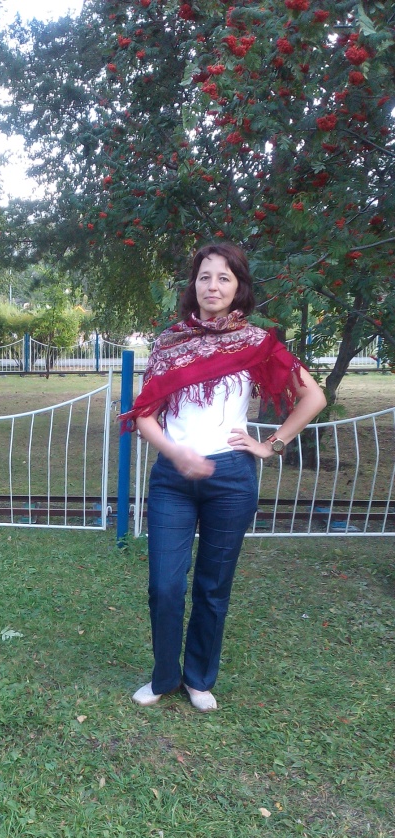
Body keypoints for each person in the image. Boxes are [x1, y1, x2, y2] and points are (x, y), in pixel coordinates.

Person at [120, 242, 326, 712]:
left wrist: (271, 445)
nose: (212, 286)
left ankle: (198, 679)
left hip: (231, 478)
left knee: (213, 586)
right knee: (165, 586)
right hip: (172, 478)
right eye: (204, 277)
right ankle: (164, 676)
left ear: (238, 287)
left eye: (224, 278)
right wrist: (175, 452)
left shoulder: (256, 343)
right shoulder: (169, 343)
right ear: (193, 285)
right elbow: (144, 414)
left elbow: (312, 397)